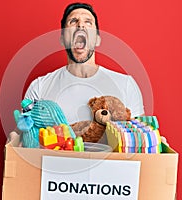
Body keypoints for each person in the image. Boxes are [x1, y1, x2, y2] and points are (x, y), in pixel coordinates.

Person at [8, 2, 147, 143]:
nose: (80, 25)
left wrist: (157, 144)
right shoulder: (39, 87)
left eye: (88, 22)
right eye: (73, 21)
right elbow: (24, 134)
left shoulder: (126, 84)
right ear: (62, 39)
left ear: (97, 39)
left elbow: (141, 139)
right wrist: (14, 139)